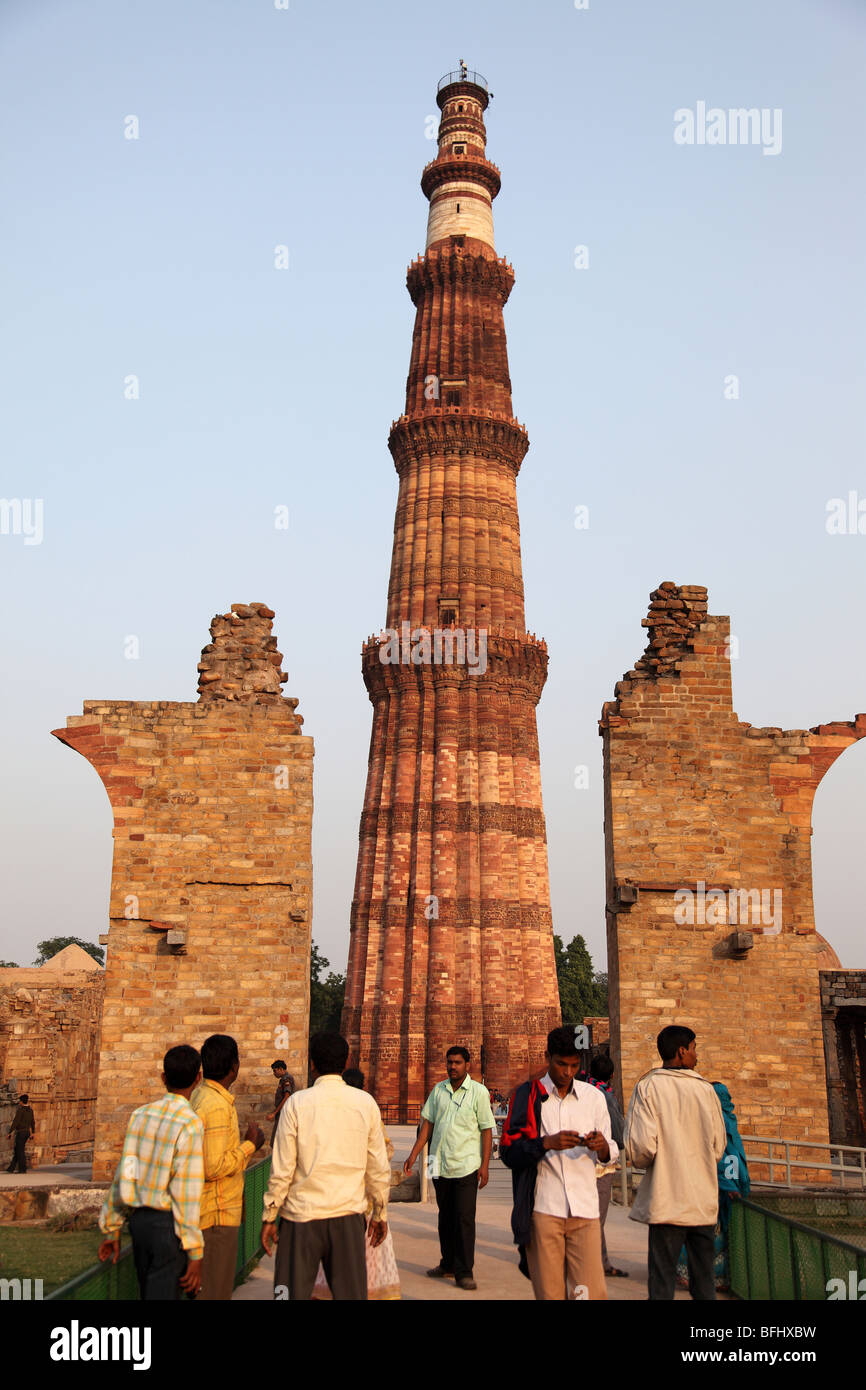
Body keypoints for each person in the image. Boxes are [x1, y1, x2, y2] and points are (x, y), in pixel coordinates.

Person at [261, 1033, 390, 1300]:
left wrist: (270, 1214)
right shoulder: (364, 1104)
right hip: (347, 1215)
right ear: (346, 1062)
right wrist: (380, 1212)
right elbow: (377, 1167)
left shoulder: (296, 1103)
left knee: (288, 1294)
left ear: (312, 1064)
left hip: (300, 1217)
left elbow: (282, 1167)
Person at [500, 1025, 616, 1301]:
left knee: (587, 1294)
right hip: (544, 1210)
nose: (567, 1072)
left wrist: (601, 1148)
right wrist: (545, 1143)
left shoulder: (593, 1098)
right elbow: (509, 1152)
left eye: (574, 1065)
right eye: (561, 1064)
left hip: (585, 1210)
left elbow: (612, 1149)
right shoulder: (528, 1097)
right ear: (547, 1057)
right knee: (550, 1294)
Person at [624, 1024, 726, 1301]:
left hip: (666, 1199)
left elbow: (639, 1147)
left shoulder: (648, 1087)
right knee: (704, 1280)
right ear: (682, 1052)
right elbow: (718, 1147)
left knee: (662, 1280)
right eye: (694, 1049)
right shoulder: (706, 1090)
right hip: (702, 1200)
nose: (697, 1055)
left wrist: (663, 1159)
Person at [98, 1044, 205, 1300]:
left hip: (139, 1223)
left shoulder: (140, 1115)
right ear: (198, 1078)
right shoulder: (189, 1123)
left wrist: (112, 1227)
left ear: (163, 1078)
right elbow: (186, 1193)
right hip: (167, 1228)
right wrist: (195, 1251)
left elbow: (125, 1173)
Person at [403, 1045, 495, 1292]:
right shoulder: (438, 1090)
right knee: (445, 1218)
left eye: (457, 1062)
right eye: (449, 1062)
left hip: (467, 1165)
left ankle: (464, 1271)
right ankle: (448, 1263)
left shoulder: (478, 1092)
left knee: (464, 1219)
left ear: (468, 1065)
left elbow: (487, 1130)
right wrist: (413, 1155)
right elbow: (427, 1126)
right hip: (440, 1163)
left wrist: (485, 1166)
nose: (452, 1066)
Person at [311, 1068, 401, 1300]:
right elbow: (384, 1154)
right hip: (364, 1201)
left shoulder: (320, 1111)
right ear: (362, 1088)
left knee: (332, 1256)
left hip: (329, 1198)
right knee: (367, 1257)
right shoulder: (367, 1110)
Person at [191, 1033, 265, 1300]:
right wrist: (250, 1145)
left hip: (208, 1214)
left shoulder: (201, 1097)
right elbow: (213, 1167)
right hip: (215, 1217)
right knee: (214, 1292)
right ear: (234, 1066)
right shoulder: (216, 1106)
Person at [676, 1080, 750, 1292]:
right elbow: (719, 1158)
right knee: (712, 1237)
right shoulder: (717, 1124)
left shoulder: (725, 1121)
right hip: (718, 1191)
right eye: (725, 1098)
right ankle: (701, 1276)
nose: (730, 1102)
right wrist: (728, 1185)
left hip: (726, 1188)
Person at [586, 1053, 628, 1278]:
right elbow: (619, 1135)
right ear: (612, 1075)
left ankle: (600, 1261)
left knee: (591, 1217)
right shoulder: (607, 1098)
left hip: (582, 1163)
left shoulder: (584, 1092)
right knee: (596, 1218)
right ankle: (594, 1264)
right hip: (601, 1164)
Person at [266, 1060, 296, 1149]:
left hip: (284, 1113)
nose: (274, 1073)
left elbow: (287, 1096)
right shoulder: (282, 1080)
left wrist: (275, 1113)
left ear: (281, 1069)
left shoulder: (287, 1079)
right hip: (281, 1113)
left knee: (277, 1141)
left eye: (275, 1071)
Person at [6, 1093, 35, 1173]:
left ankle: (22, 1169)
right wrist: (33, 1132)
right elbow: (33, 1122)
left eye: (20, 1101)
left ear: (21, 1101)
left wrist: (10, 1132)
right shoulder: (30, 1110)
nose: (19, 1102)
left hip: (21, 1133)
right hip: (27, 1133)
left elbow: (16, 1122)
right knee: (17, 1149)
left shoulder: (21, 1110)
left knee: (20, 1151)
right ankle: (11, 1168)